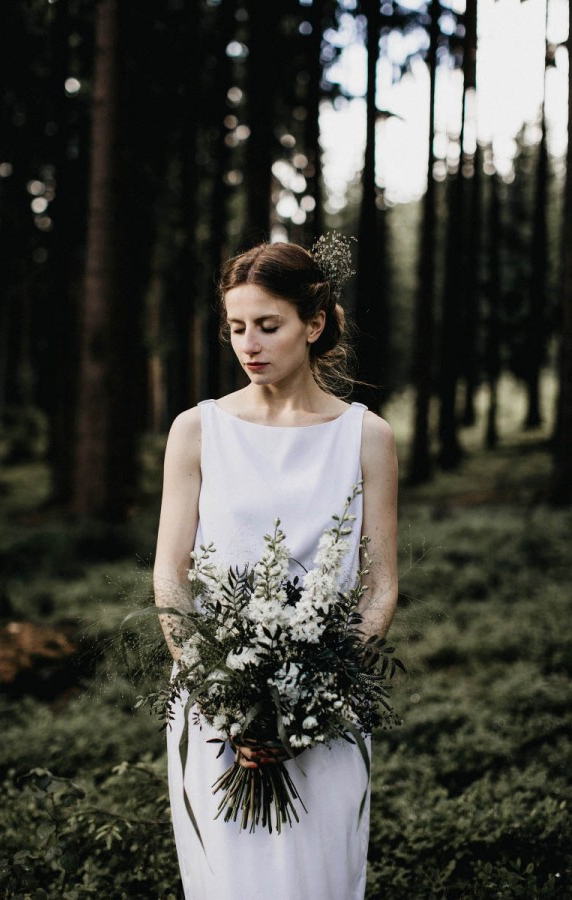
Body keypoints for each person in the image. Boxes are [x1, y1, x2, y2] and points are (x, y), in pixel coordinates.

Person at [153, 237, 398, 900]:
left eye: (268, 325)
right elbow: (171, 577)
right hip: (215, 706)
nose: (249, 344)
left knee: (319, 878)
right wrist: (218, 693)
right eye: (236, 328)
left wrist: (316, 697)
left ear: (313, 325)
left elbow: (380, 585)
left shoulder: (365, 436)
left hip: (328, 707)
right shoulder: (197, 430)